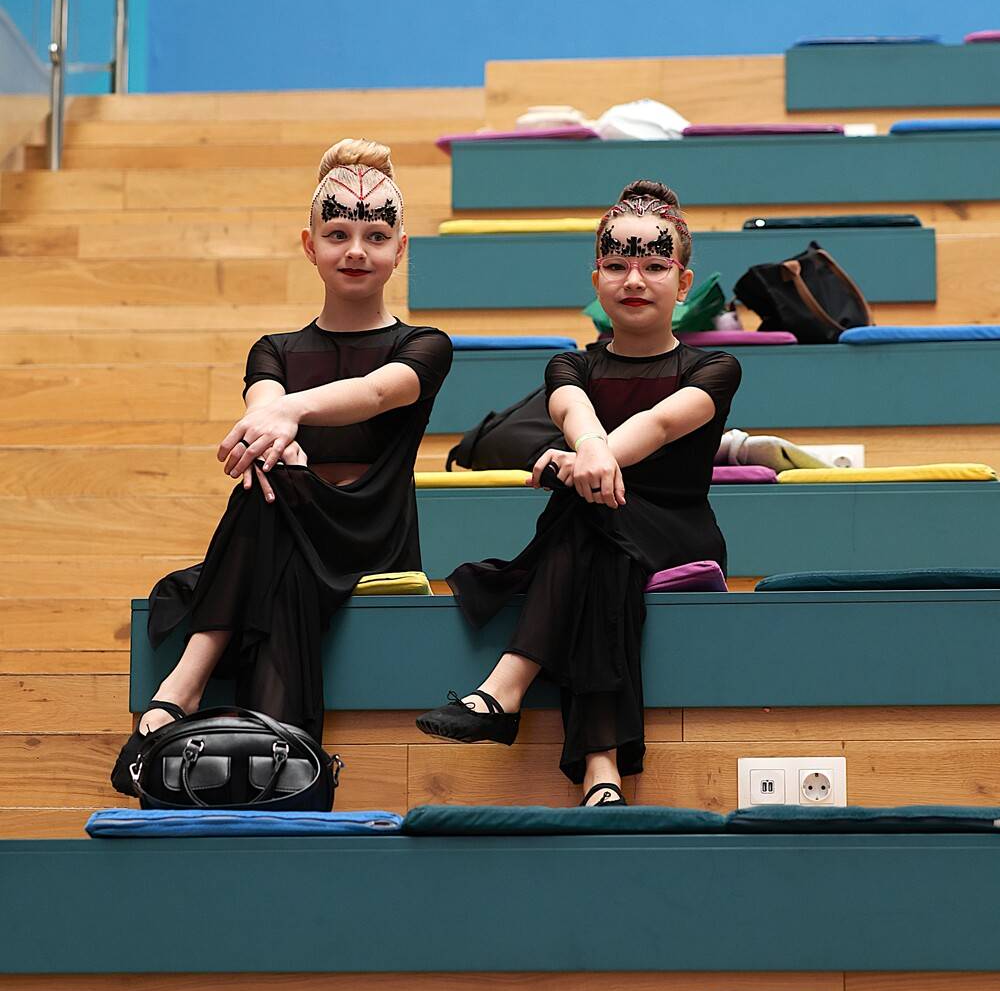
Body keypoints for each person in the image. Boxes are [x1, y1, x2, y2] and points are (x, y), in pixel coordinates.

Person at [112, 139, 453, 789]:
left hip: (370, 532)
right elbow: (261, 407)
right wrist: (277, 433)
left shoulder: (425, 345)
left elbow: (374, 394)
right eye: (338, 233)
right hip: (289, 525)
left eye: (377, 236)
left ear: (401, 248)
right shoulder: (273, 348)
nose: (356, 250)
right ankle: (278, 754)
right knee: (277, 489)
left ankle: (177, 694)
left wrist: (288, 416)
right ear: (309, 244)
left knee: (272, 487)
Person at [415, 180, 741, 806]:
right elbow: (574, 411)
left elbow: (659, 426)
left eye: (654, 266)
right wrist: (587, 450)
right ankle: (601, 771)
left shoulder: (714, 368)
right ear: (596, 280)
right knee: (600, 534)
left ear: (683, 282)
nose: (634, 279)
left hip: (677, 527)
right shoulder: (571, 366)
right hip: (604, 531)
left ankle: (506, 688)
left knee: (590, 512)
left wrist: (584, 460)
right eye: (617, 266)